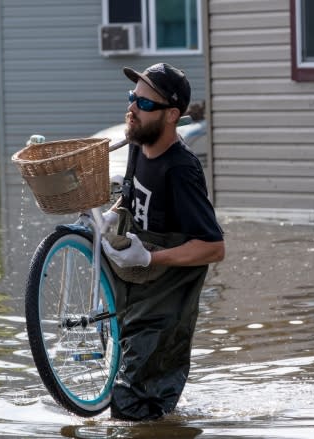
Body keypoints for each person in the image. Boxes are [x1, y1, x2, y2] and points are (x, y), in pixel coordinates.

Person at [100, 63, 225, 421]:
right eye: (132, 98)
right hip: (137, 292)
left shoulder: (181, 169)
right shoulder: (140, 144)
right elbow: (130, 198)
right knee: (121, 397)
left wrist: (152, 260)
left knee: (132, 405)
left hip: (167, 302)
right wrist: (109, 215)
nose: (132, 109)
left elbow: (214, 247)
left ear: (171, 115)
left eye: (145, 104)